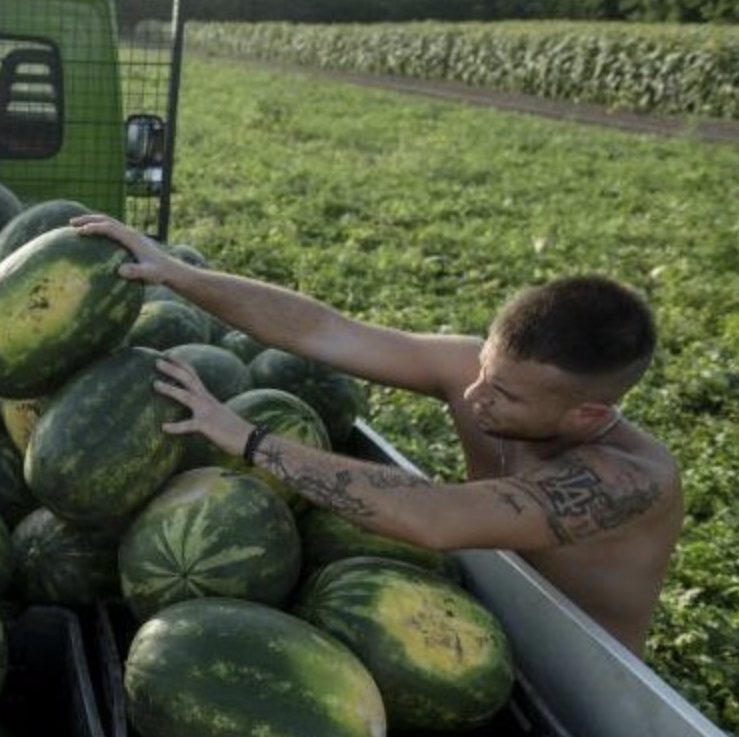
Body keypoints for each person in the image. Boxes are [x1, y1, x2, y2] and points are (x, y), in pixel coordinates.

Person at [73, 214, 682, 657]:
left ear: (587, 416)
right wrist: (175, 274)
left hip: (579, 687)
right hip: (464, 624)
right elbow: (323, 331)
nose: (473, 396)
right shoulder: (481, 376)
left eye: (505, 395)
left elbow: (436, 518)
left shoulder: (626, 482)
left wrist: (250, 440)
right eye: (486, 371)